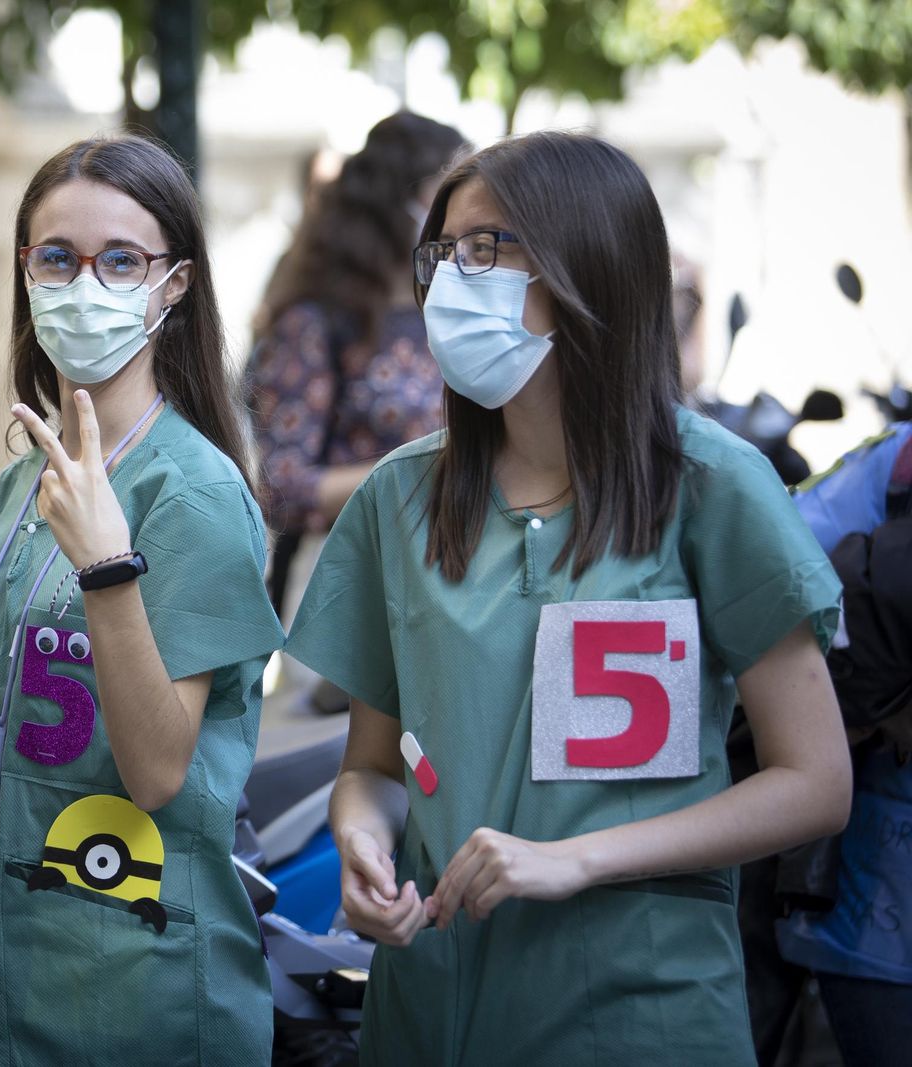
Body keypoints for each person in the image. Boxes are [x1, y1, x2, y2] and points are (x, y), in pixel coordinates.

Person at [284, 132, 852, 1064]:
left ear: (588, 261)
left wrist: (578, 856)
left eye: (488, 247)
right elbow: (377, 769)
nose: (452, 280)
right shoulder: (397, 497)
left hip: (643, 1011)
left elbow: (816, 783)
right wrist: (362, 844)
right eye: (445, 252)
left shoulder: (715, 485)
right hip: (431, 1009)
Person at [0, 135, 282, 1064]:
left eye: (121, 261)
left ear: (173, 285)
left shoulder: (191, 495)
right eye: (57, 257)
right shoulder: (33, 477)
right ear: (25, 270)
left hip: (124, 965)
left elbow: (156, 771)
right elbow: (9, 696)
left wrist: (108, 570)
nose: (84, 283)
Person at [250, 112, 465, 615]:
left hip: (448, 577)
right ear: (396, 200)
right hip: (351, 584)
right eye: (445, 191)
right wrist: (431, 466)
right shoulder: (317, 321)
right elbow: (280, 486)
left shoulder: (447, 310)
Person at [771, 423, 912, 1066]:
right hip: (872, 903)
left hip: (864, 906)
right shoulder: (898, 460)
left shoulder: (892, 455)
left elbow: (779, 558)